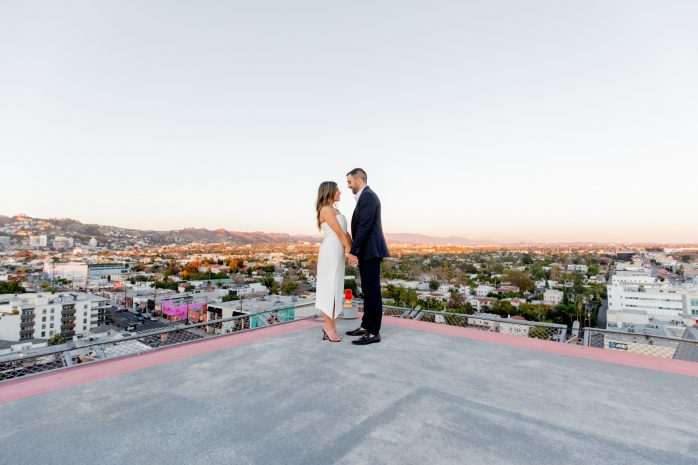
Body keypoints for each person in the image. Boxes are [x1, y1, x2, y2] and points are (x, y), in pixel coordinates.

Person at [345, 168, 389, 345]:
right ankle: (365, 326)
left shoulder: (368, 196)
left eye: (349, 182)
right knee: (368, 291)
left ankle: (373, 332)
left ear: (358, 180)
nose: (348, 186)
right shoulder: (365, 197)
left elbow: (364, 226)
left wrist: (353, 251)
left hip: (370, 251)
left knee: (372, 291)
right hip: (367, 250)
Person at [315, 181, 352, 342]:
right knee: (328, 289)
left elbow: (345, 232)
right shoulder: (325, 209)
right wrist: (349, 251)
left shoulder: (336, 210)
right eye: (337, 190)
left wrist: (352, 248)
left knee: (336, 289)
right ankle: (328, 328)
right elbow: (338, 232)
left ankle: (331, 326)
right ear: (329, 192)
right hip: (330, 252)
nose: (340, 192)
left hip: (338, 252)